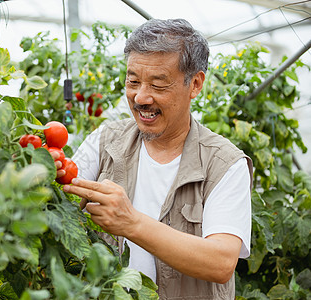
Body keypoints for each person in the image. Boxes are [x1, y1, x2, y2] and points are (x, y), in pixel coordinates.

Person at [58, 18, 253, 299]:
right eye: (133, 81)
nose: (140, 97)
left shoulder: (223, 164)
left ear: (195, 84)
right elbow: (63, 197)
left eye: (158, 85)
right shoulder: (106, 141)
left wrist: (131, 223)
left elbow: (220, 261)